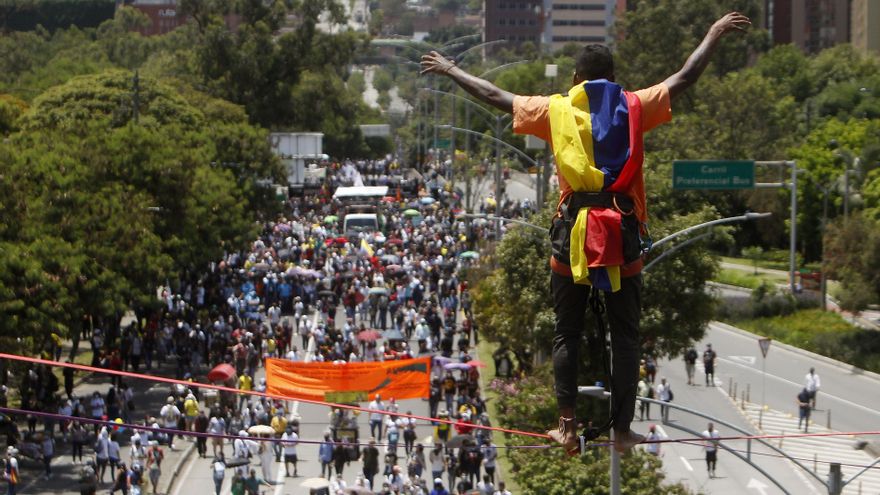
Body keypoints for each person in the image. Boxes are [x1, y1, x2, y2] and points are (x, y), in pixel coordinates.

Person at [421, 11, 751, 455]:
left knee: (567, 333)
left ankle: (567, 425)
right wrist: (713, 32)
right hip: (623, 234)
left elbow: (495, 95)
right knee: (626, 336)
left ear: (576, 78)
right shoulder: (635, 105)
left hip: (571, 234)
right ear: (613, 79)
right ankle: (622, 430)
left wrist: (451, 69)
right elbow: (685, 77)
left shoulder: (555, 109)